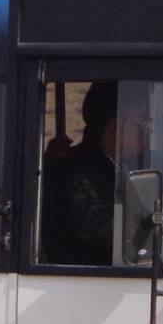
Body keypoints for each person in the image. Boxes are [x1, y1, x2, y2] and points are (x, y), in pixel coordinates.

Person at [40, 83, 120, 265]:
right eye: (142, 121)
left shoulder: (116, 166)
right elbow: (106, 232)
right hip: (82, 282)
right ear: (114, 126)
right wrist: (161, 224)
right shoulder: (78, 173)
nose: (146, 129)